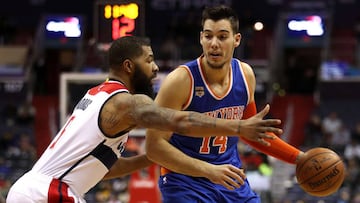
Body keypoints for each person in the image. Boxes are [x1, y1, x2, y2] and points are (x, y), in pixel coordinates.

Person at [6, 36, 283, 202]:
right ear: (129, 66)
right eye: (149, 60)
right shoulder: (127, 101)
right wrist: (238, 126)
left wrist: (152, 157)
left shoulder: (96, 95)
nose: (155, 68)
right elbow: (179, 121)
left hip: (31, 189)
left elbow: (104, 168)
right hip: (49, 192)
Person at [145, 5, 304, 203]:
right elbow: (153, 147)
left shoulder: (245, 75)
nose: (214, 44)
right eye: (208, 36)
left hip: (229, 179)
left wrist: (299, 158)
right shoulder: (181, 81)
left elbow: (252, 134)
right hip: (184, 181)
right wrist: (209, 170)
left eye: (222, 36)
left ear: (236, 40)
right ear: (201, 38)